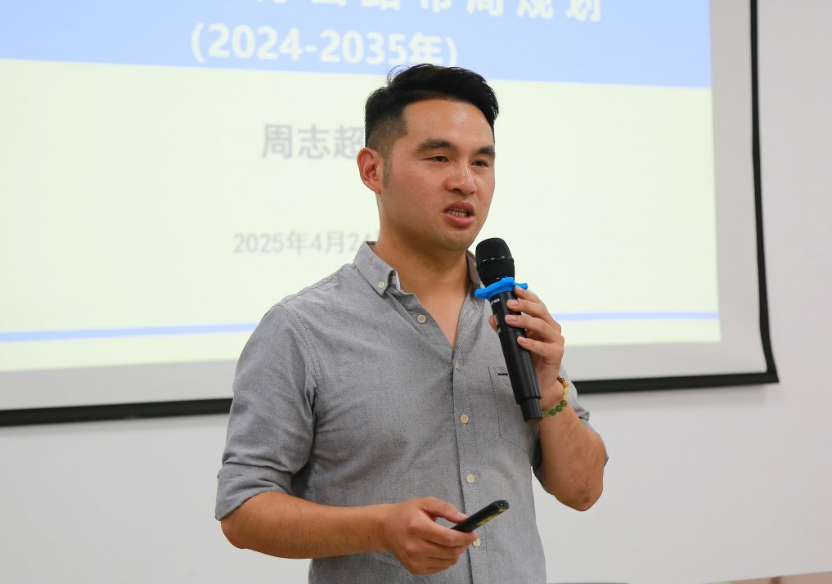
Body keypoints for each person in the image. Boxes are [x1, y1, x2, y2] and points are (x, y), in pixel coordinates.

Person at [216, 64, 607, 582]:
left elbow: (583, 490)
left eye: (481, 161)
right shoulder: (302, 328)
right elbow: (243, 509)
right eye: (439, 157)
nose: (465, 181)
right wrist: (379, 528)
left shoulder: (514, 316)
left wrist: (549, 388)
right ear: (372, 171)